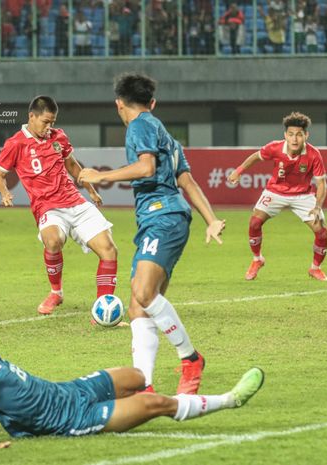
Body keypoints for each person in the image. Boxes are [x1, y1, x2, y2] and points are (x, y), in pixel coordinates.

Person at [0, 297, 265, 449]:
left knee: (136, 377)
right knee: (156, 403)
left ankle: (138, 400)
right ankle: (230, 400)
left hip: (70, 391)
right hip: (73, 416)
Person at [77, 73, 226, 395]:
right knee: (138, 307)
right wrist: (210, 219)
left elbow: (145, 168)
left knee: (143, 294)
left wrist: (103, 177)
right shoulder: (166, 135)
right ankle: (143, 385)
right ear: (152, 102)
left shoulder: (140, 126)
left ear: (119, 104)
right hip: (164, 218)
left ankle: (191, 359)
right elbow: (187, 181)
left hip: (163, 217)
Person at [0, 96, 118, 315]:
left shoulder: (59, 137)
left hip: (75, 202)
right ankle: (56, 293)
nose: (49, 127)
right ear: (31, 116)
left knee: (109, 250)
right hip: (47, 206)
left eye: (52, 122)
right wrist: (4, 193)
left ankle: (102, 310)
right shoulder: (15, 143)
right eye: (45, 122)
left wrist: (91, 190)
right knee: (53, 241)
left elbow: (72, 165)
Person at [226, 111, 327, 282]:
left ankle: (315, 269)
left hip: (303, 195)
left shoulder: (314, 154)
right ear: (285, 135)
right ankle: (257, 259)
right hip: (275, 192)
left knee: (322, 232)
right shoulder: (275, 147)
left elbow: (321, 184)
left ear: (306, 135)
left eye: (299, 135)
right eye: (291, 135)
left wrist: (317, 206)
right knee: (255, 222)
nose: (294, 139)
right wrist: (238, 171)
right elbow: (255, 157)